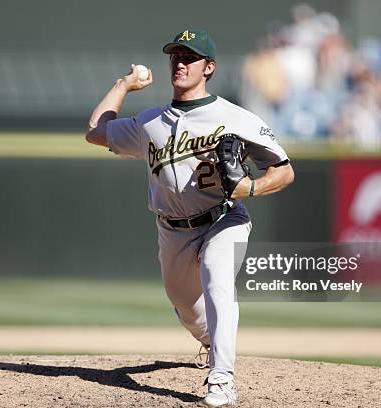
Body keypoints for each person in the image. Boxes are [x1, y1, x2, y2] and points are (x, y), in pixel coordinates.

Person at [85, 30, 294, 407]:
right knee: (189, 311)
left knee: (218, 282)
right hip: (172, 231)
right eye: (175, 56)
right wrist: (123, 85)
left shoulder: (236, 117)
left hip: (224, 218)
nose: (180, 62)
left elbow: (284, 170)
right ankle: (212, 341)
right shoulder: (150, 123)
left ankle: (222, 379)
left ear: (208, 68)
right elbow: (96, 133)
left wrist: (250, 188)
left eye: (190, 57)